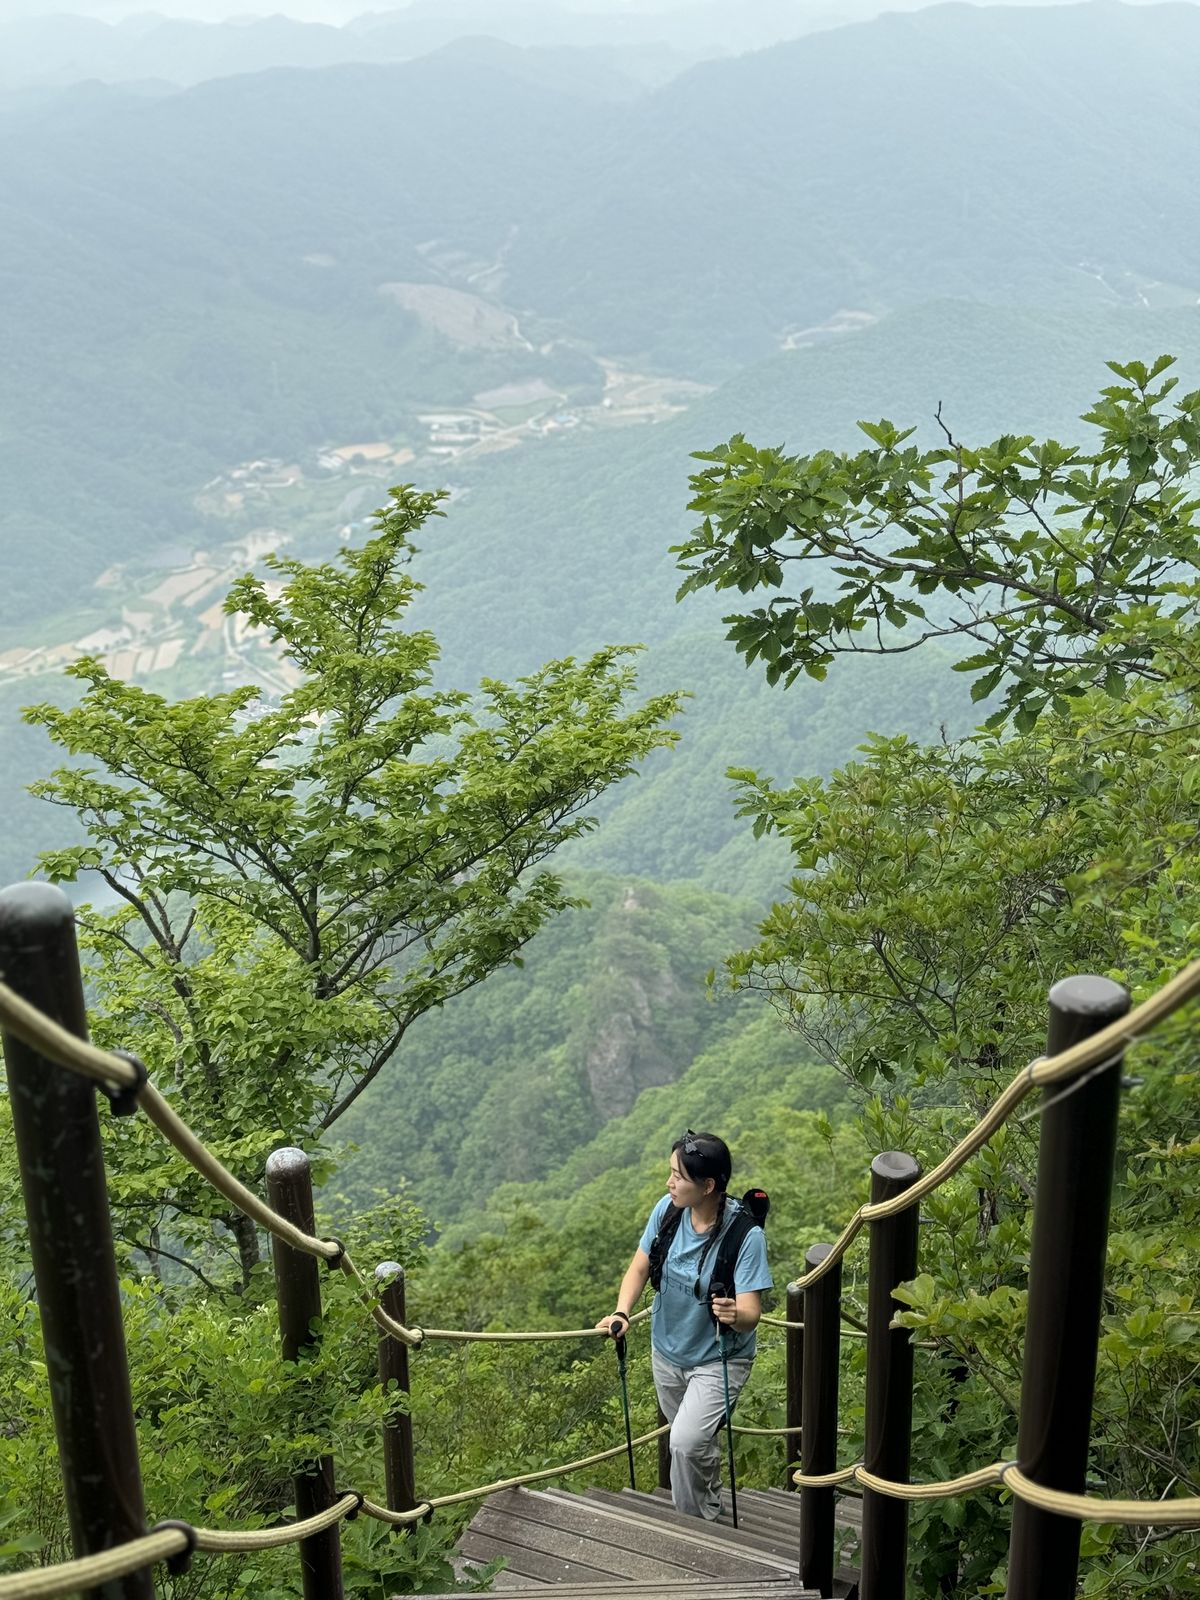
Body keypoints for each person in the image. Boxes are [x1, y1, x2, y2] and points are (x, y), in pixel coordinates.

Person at [596, 1130, 772, 1520]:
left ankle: (695, 1529)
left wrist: (735, 1313)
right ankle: (710, 1502)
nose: (669, 1183)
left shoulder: (745, 1236)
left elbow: (751, 1314)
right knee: (690, 1442)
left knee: (686, 1444)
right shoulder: (668, 1211)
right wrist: (622, 1312)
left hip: (718, 1358)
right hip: (667, 1352)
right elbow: (640, 1267)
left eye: (678, 1176)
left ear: (707, 1187)